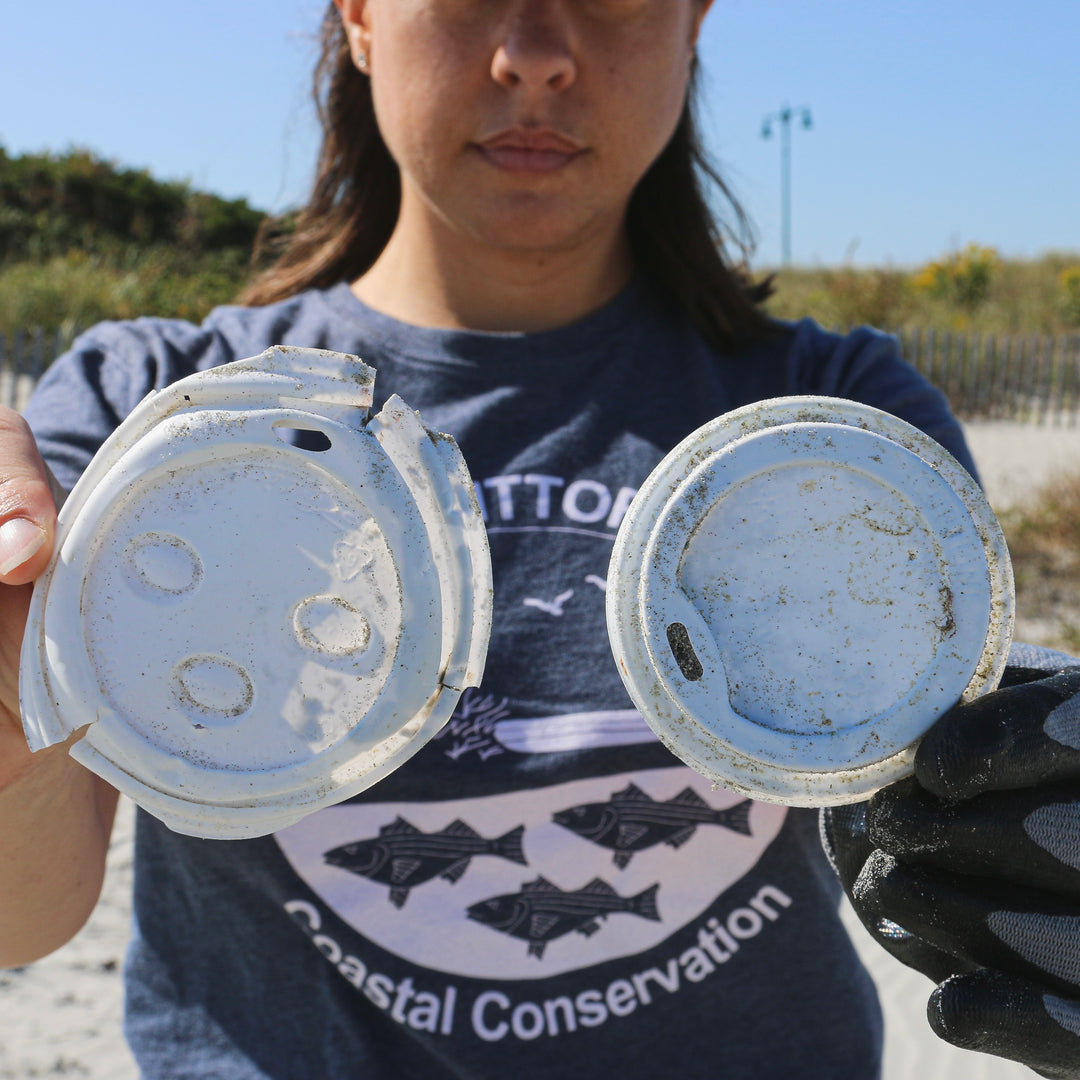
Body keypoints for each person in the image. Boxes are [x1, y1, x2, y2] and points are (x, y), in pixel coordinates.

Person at [2, 2, 1080, 1077]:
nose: (535, 57)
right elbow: (22, 919)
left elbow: (964, 810)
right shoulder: (158, 428)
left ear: (694, 22)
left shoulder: (834, 438)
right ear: (361, 19)